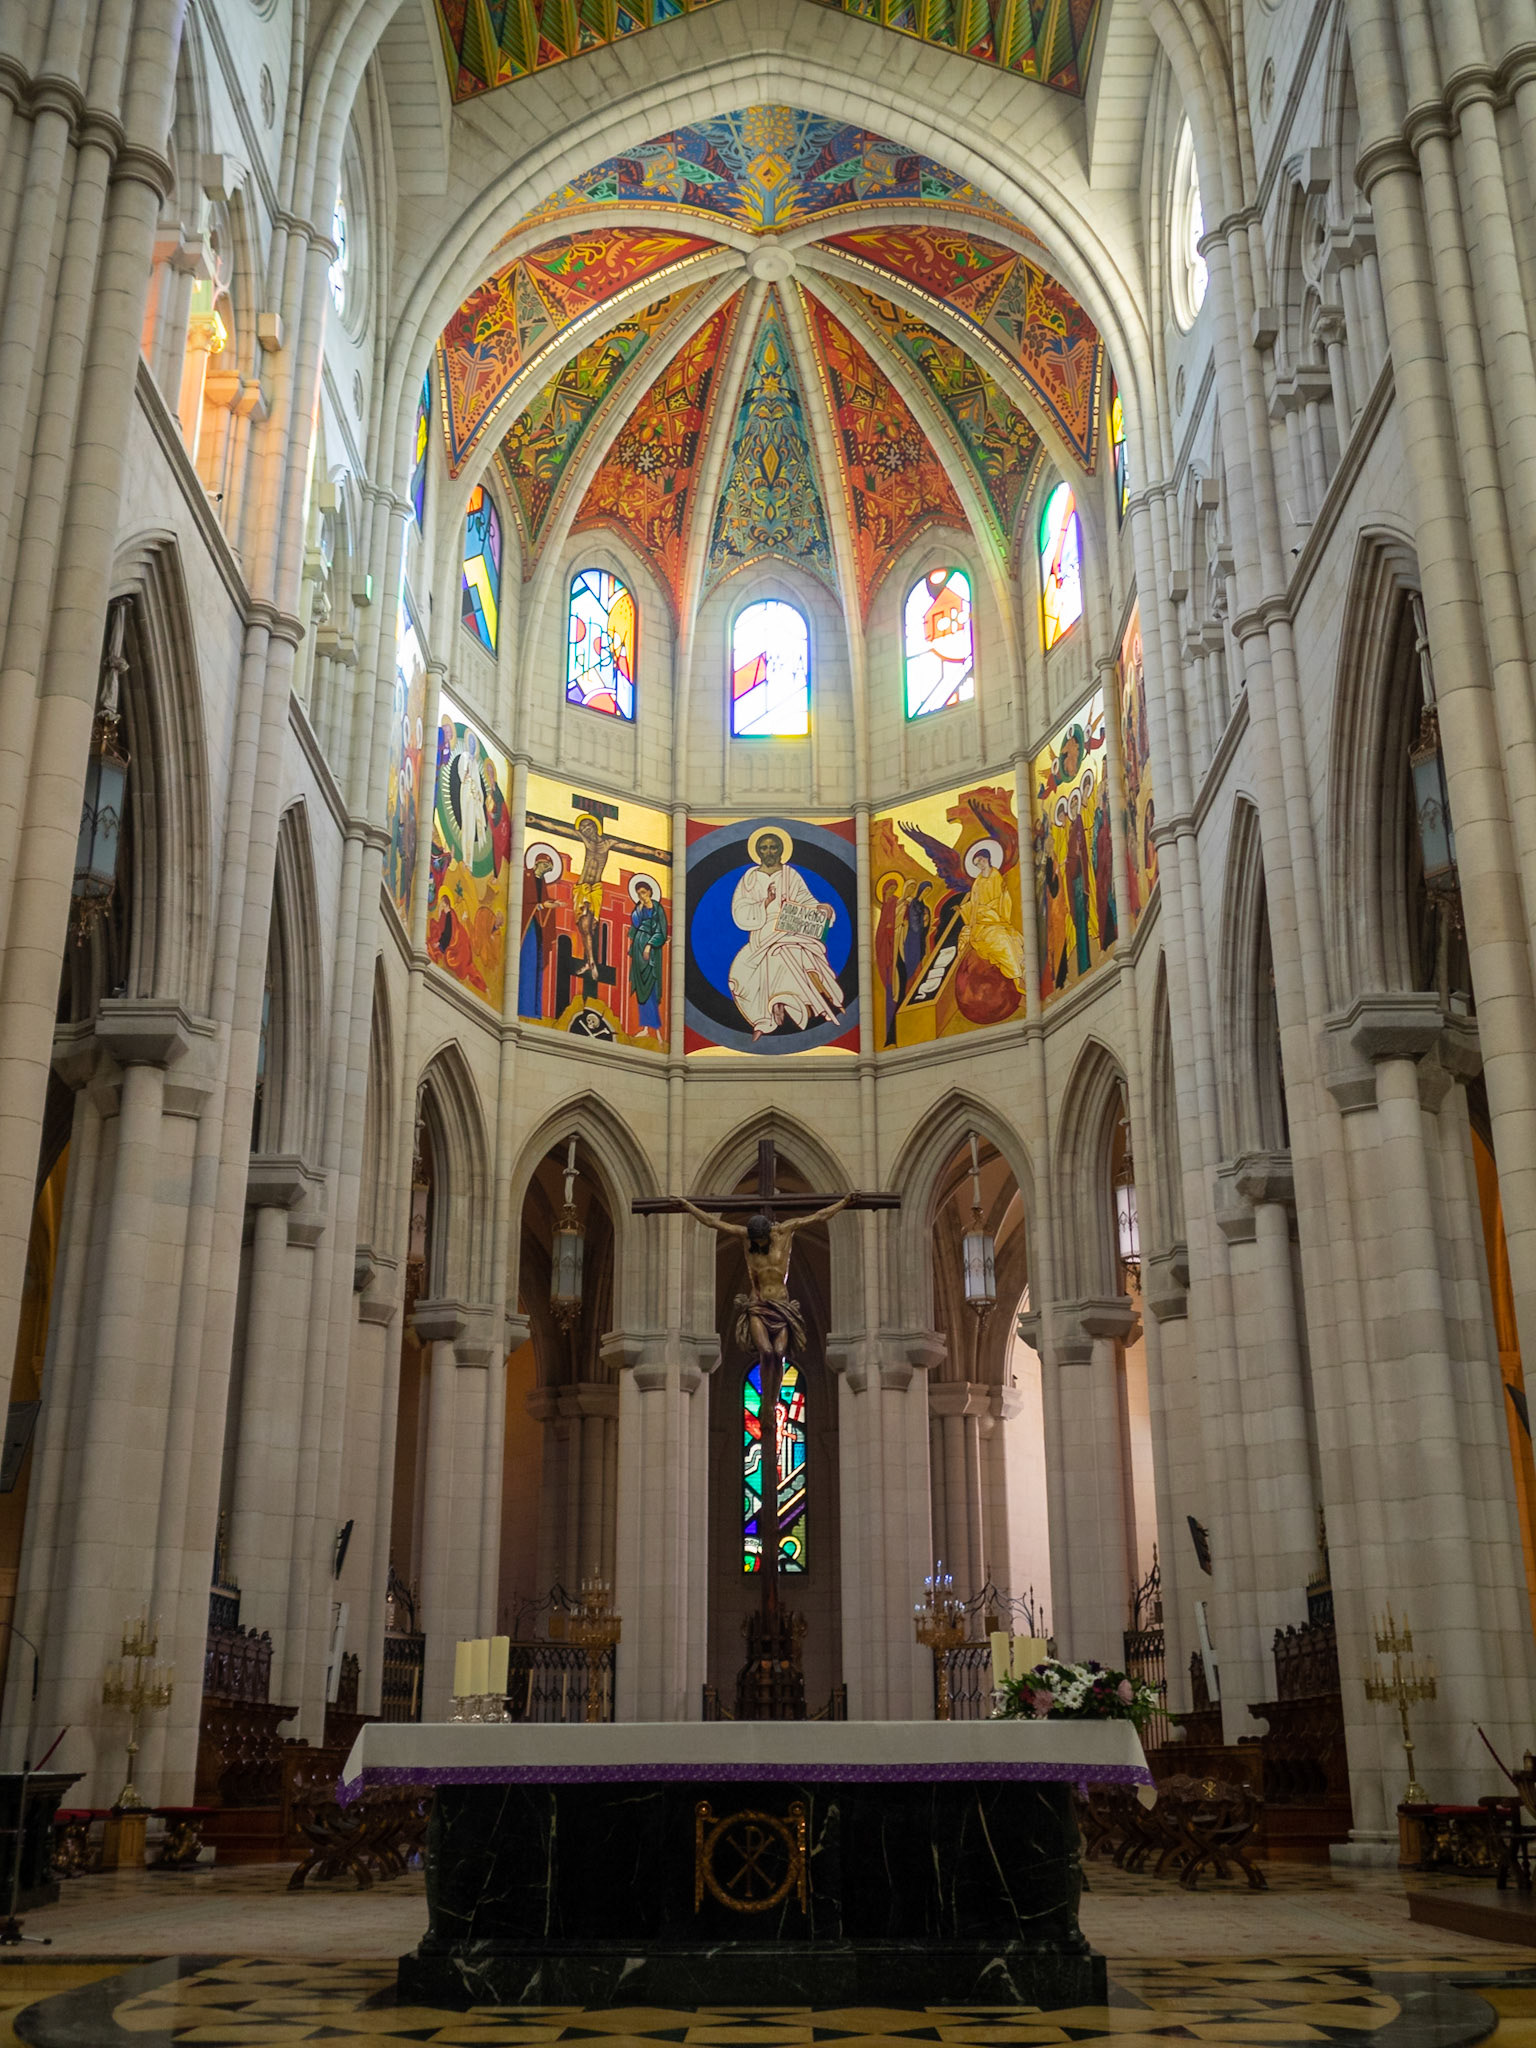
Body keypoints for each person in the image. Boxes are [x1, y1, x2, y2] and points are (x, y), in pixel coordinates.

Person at [678, 1193, 854, 1372]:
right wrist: (687, 1207)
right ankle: (768, 1398)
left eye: (761, 1240)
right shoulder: (746, 1237)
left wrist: (844, 1203)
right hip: (759, 1303)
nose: (758, 1244)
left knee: (779, 1353)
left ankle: (772, 1396)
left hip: (781, 1304)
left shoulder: (784, 1232)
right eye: (755, 1241)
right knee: (766, 1352)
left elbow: (818, 1216)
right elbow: (712, 1222)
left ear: (767, 1234)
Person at [727, 829, 844, 1038]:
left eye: (773, 847)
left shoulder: (791, 875)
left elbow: (806, 900)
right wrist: (765, 902)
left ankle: (785, 1003)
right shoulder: (750, 878)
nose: (769, 851)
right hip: (762, 933)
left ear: (781, 850)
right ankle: (769, 1013)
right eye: (764, 848)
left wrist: (821, 908)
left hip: (790, 929)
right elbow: (740, 909)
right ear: (758, 852)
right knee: (743, 973)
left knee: (788, 951)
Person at [959, 842, 1027, 989]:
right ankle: (1017, 976)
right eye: (977, 863)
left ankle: (1024, 970)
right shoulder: (977, 883)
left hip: (997, 920)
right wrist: (964, 909)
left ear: (988, 859)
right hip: (983, 925)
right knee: (1001, 942)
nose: (981, 865)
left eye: (982, 860)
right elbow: (975, 905)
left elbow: (1003, 901)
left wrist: (1003, 894)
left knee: (1016, 938)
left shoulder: (996, 876)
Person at [628, 878, 668, 1043]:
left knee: (652, 985)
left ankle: (657, 1030)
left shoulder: (658, 909)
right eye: (638, 894)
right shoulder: (639, 908)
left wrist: (649, 946)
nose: (641, 896)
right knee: (641, 988)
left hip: (650, 952)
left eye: (643, 892)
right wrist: (638, 910)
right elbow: (635, 926)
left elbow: (661, 932)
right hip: (638, 947)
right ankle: (645, 1028)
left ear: (650, 892)